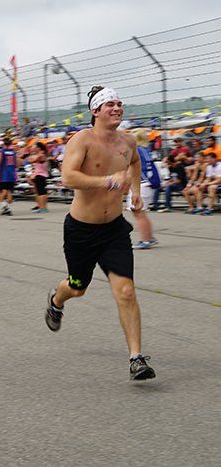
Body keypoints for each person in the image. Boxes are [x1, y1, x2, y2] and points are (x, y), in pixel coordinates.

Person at [44, 85, 155, 381]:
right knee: (77, 287)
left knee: (126, 291)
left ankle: (136, 358)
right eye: (110, 105)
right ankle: (57, 300)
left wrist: (135, 192)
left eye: (119, 103)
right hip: (81, 230)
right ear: (95, 111)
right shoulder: (82, 140)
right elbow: (68, 177)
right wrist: (107, 181)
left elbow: (134, 163)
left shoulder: (127, 142)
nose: (117, 108)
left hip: (114, 230)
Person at [128, 130, 159, 249]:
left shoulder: (137, 151)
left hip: (141, 184)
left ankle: (146, 240)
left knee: (138, 213)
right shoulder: (146, 150)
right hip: (146, 184)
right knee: (141, 213)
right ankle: (149, 237)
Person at [0, 138, 17, 215]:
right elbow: (16, 163)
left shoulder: (1, 152)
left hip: (3, 174)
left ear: (3, 144)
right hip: (11, 174)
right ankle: (9, 209)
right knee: (9, 191)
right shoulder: (13, 152)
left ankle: (4, 207)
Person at [30, 142, 50, 213]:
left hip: (40, 175)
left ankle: (43, 207)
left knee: (41, 192)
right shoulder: (42, 154)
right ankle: (41, 206)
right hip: (39, 174)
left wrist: (34, 157)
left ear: (38, 148)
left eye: (35, 147)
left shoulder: (42, 155)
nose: (33, 149)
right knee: (40, 192)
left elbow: (32, 160)